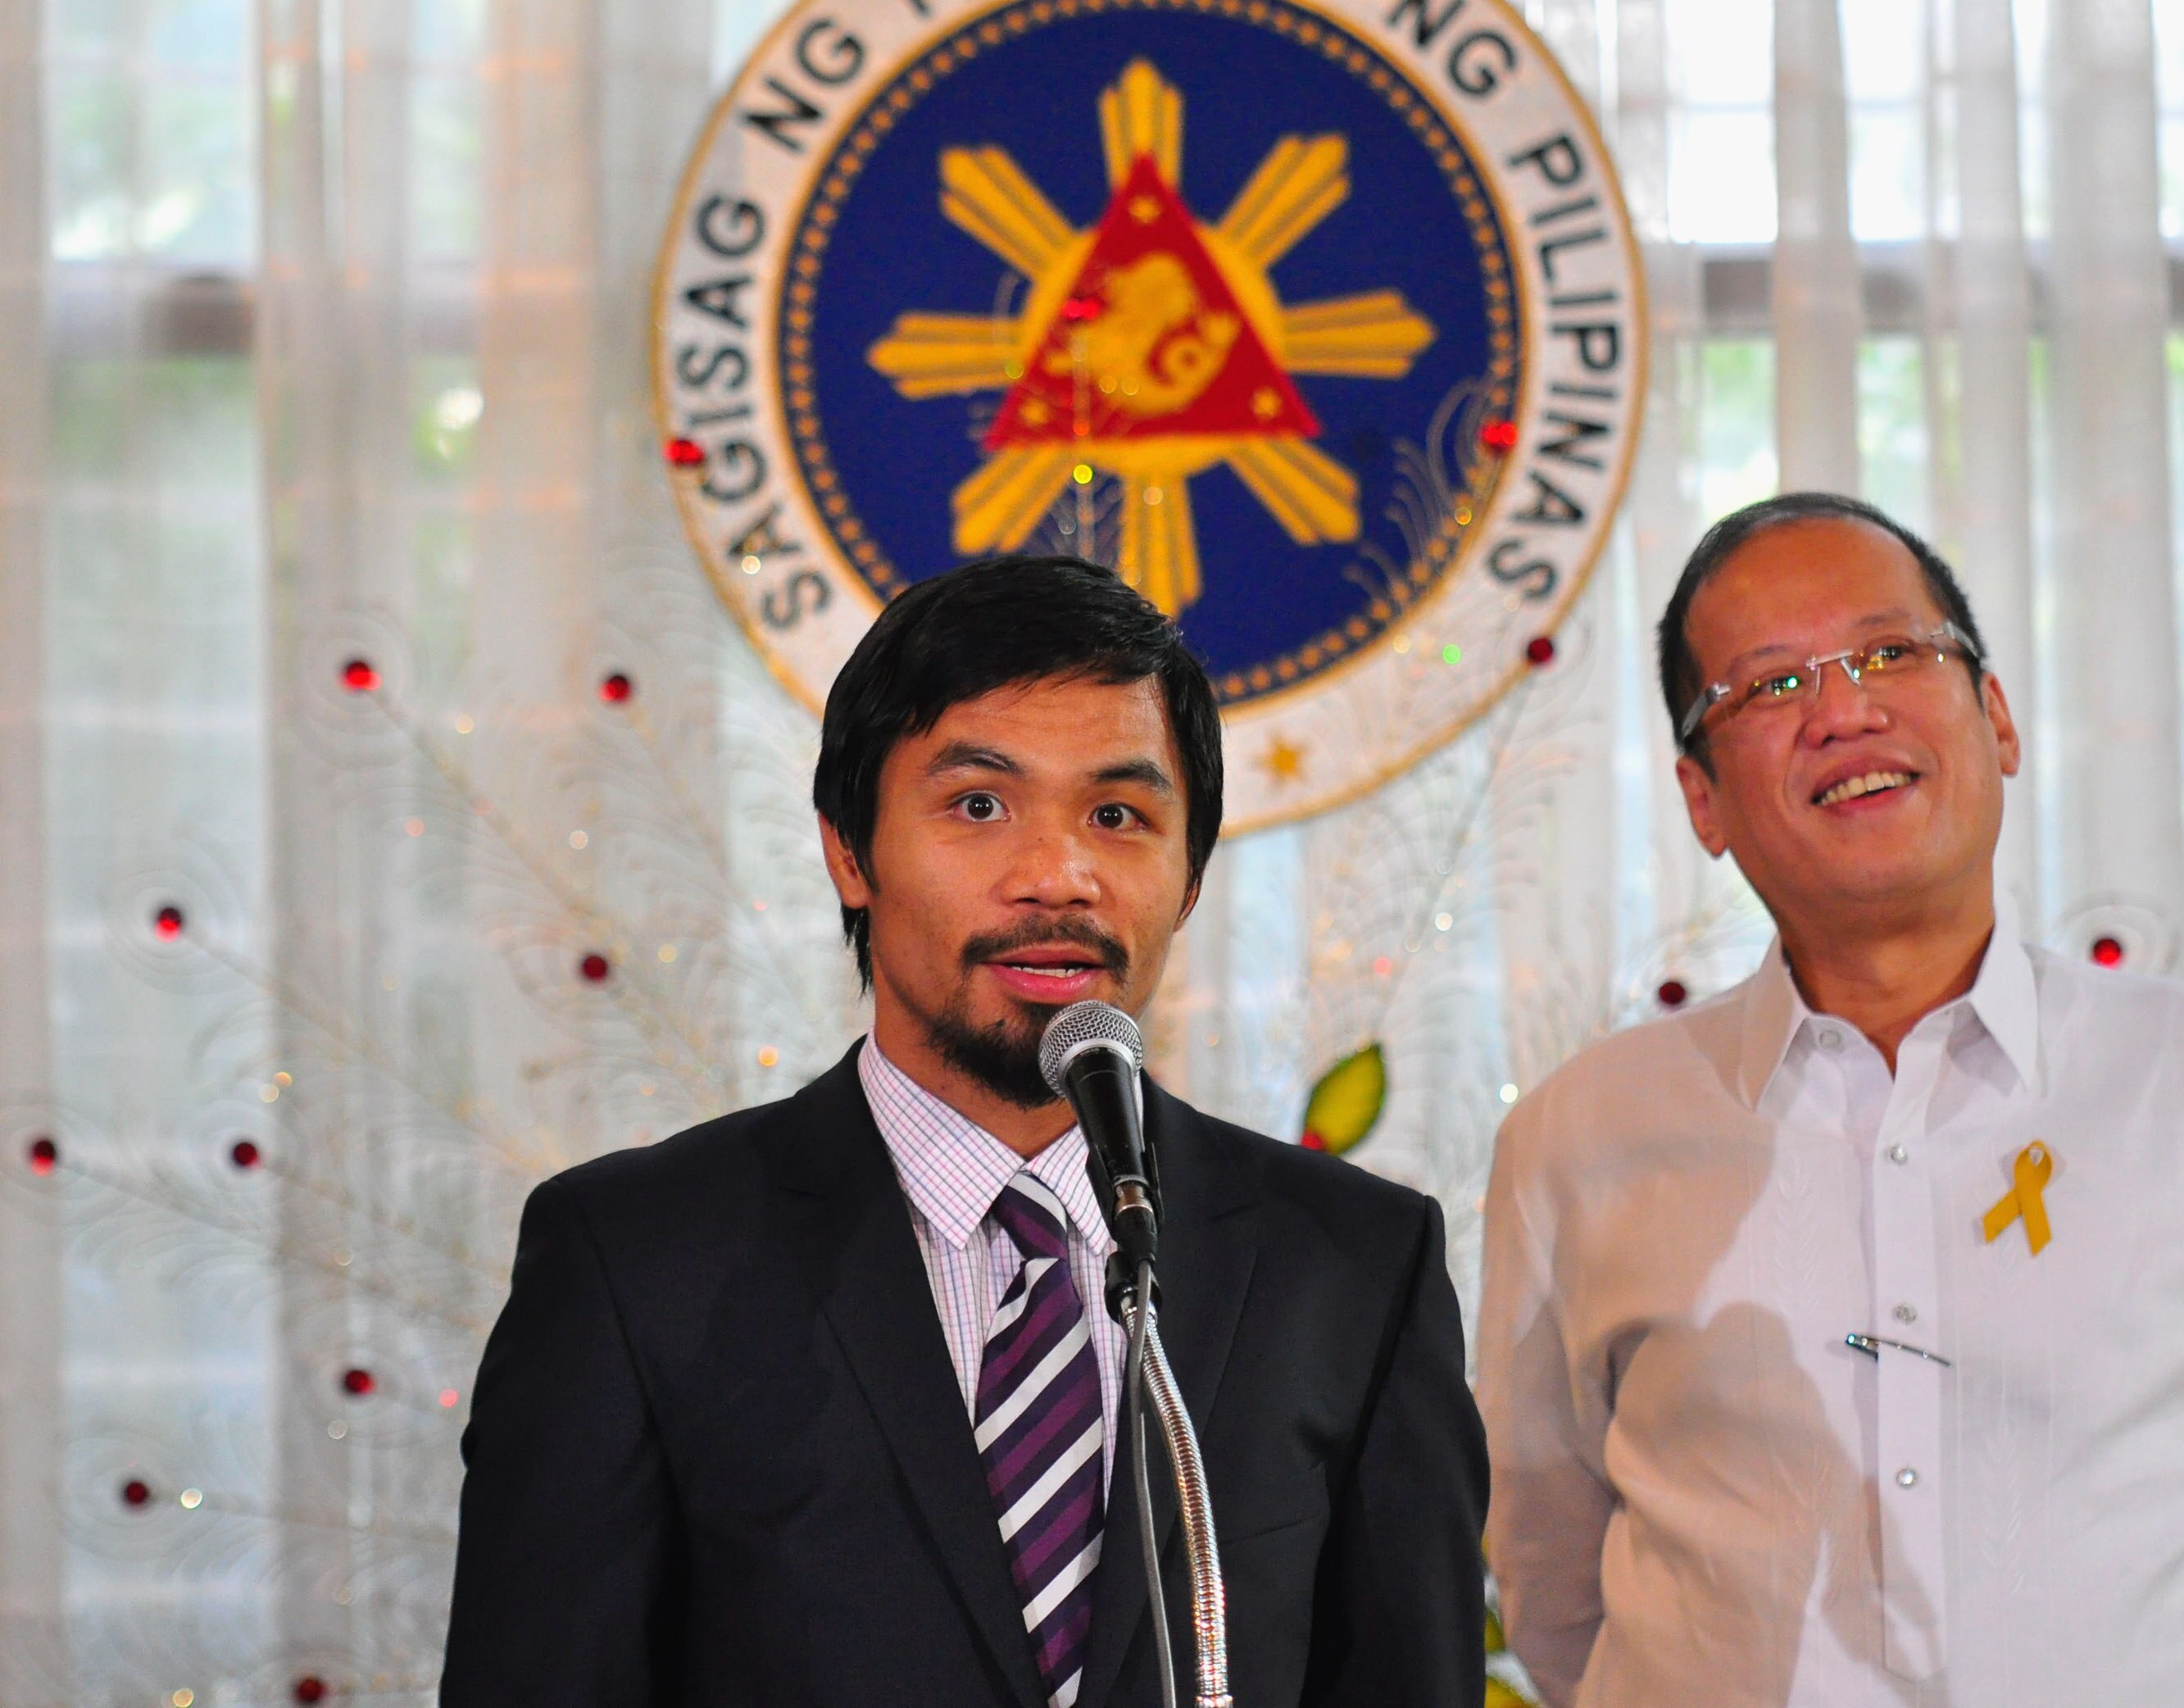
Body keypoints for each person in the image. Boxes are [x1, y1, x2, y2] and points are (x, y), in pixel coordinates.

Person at [440, 555, 1488, 1708]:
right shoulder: (636, 1260)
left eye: (1119, 813)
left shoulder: (1351, 1267)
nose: (1058, 874)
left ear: (1190, 874)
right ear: (850, 847)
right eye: (979, 804)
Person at [1478, 493, 2184, 1708]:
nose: (1845, 709)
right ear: (1701, 799)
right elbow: (1547, 1571)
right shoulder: (1578, 1135)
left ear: (1997, 716)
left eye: (1892, 652)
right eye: (1771, 686)